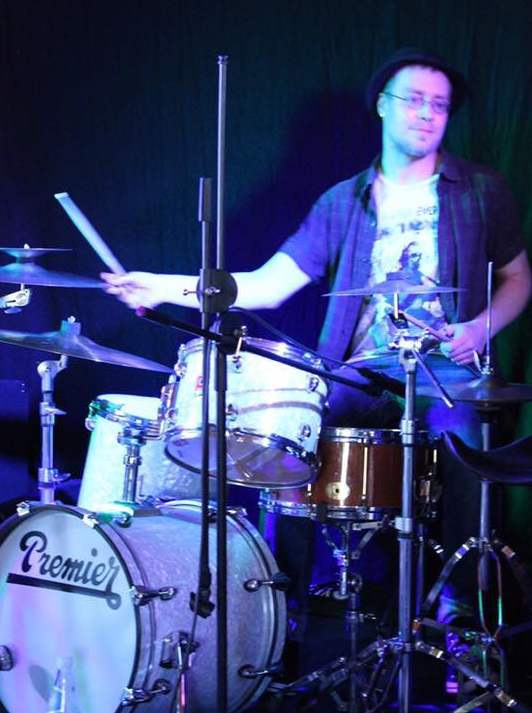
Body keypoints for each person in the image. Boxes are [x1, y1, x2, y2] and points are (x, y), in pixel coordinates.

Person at [103, 47, 531, 689]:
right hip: (359, 372)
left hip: (444, 367)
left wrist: (479, 328)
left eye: (440, 106)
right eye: (414, 100)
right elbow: (268, 285)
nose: (427, 114)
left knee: (465, 432)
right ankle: (280, 618)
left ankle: (460, 624)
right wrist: (162, 286)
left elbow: (519, 278)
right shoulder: (341, 202)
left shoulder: (482, 191)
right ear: (382, 106)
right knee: (282, 436)